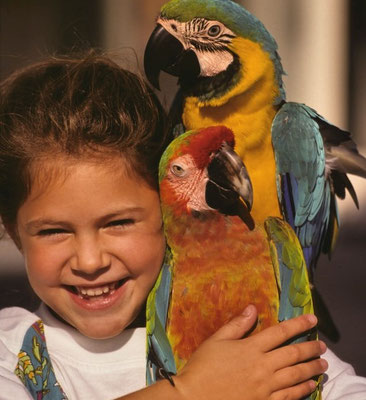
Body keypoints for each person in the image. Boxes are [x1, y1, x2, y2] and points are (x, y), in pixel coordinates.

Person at [0, 53, 363, 400]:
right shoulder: (9, 351)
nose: (90, 261)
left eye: (120, 223)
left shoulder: (240, 302)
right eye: (53, 232)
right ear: (12, 230)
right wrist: (188, 392)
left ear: (163, 209)